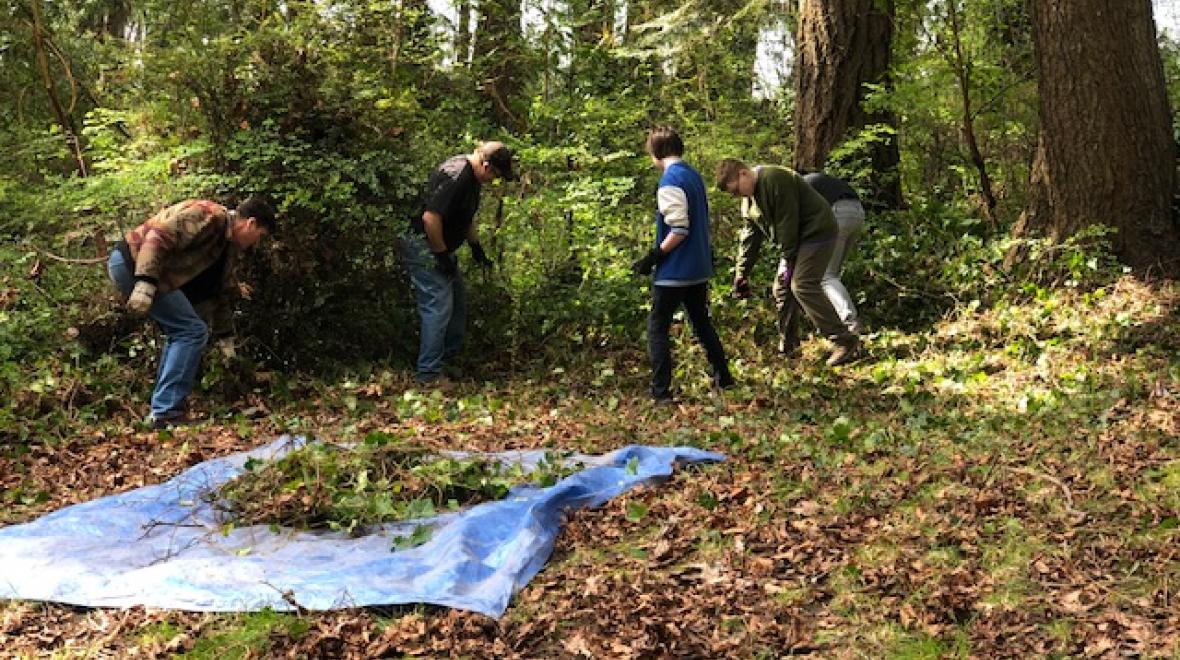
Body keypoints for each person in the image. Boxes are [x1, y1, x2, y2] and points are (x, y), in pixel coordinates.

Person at [107, 197, 276, 429]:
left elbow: (220, 291)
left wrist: (226, 337)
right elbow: (159, 235)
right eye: (261, 235)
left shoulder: (226, 248)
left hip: (155, 273)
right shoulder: (209, 216)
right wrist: (146, 281)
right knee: (191, 331)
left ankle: (163, 410)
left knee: (184, 330)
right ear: (251, 223)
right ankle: (166, 412)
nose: (257, 242)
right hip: (131, 263)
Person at [715, 159, 860, 366]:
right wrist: (741, 274)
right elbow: (749, 239)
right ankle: (789, 348)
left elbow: (787, 221)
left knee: (802, 285)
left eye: (736, 190)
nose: (737, 196)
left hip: (816, 232)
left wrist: (789, 258)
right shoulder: (749, 202)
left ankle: (844, 340)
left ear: (743, 174)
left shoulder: (774, 178)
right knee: (782, 289)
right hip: (797, 241)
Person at [632, 127, 733, 402]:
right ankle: (724, 378)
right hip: (698, 267)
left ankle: (661, 392)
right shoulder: (693, 175)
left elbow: (679, 228)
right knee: (701, 322)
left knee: (657, 327)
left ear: (656, 152)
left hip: (675, 270)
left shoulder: (670, 180)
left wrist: (655, 255)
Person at [401, 141, 513, 383]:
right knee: (437, 306)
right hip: (424, 245)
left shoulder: (472, 178)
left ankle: (445, 361)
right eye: (495, 175)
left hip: (441, 247)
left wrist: (476, 248)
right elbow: (430, 218)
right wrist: (441, 256)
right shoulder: (458, 176)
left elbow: (465, 218)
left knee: (457, 303)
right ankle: (428, 374)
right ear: (486, 166)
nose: (493, 180)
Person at [801, 170, 865, 334]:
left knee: (825, 275)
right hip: (857, 212)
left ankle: (849, 320)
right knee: (832, 273)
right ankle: (836, 318)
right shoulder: (820, 179)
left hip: (837, 214)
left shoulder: (800, 185)